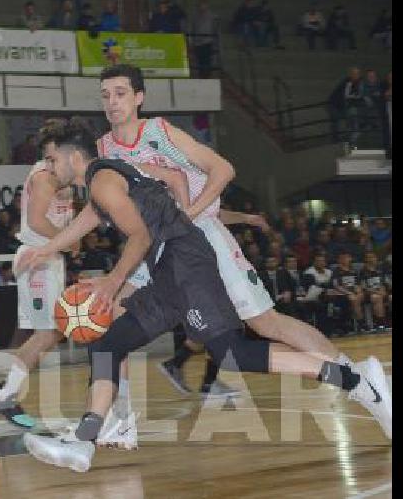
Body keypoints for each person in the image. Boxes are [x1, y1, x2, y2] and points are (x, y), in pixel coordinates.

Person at [16, 118, 391, 473]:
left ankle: (355, 381)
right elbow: (90, 220)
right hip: (168, 272)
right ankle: (83, 443)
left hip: (185, 262)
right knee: (107, 345)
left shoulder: (102, 180)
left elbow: (141, 236)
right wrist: (46, 250)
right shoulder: (102, 181)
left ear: (73, 156)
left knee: (232, 354)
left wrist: (112, 282)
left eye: (51, 159)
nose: (49, 168)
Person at [95, 65, 357, 417]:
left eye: (120, 93)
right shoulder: (105, 147)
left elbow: (223, 169)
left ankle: (354, 376)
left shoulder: (159, 131)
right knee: (113, 311)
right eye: (106, 94)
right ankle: (119, 417)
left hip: (201, 235)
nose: (112, 101)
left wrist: (186, 217)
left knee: (265, 324)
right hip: (156, 246)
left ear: (139, 97)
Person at [0, 155, 75, 429]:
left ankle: (10, 381)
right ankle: (6, 395)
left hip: (49, 258)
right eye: (49, 155)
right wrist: (70, 240)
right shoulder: (43, 177)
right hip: (37, 258)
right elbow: (38, 223)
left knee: (52, 332)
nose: (53, 161)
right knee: (48, 332)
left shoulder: (67, 176)